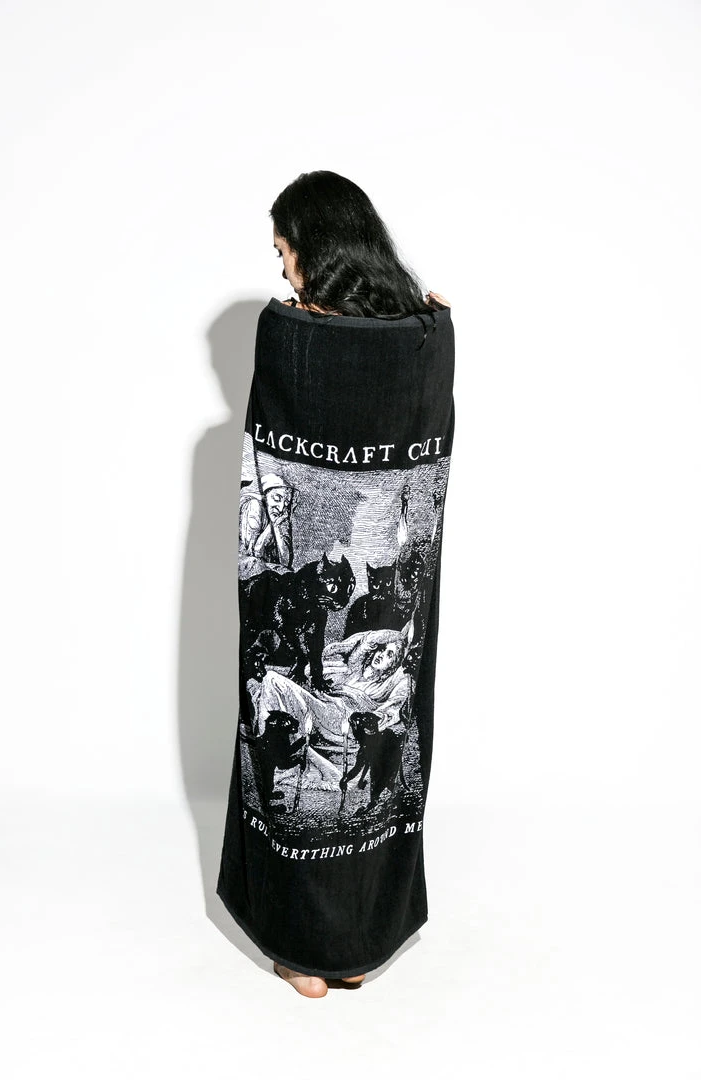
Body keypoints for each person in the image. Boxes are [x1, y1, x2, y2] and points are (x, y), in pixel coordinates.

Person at [216, 170, 454, 998]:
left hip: (348, 626)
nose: (284, 271)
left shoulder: (294, 337)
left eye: (286, 251)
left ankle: (298, 946)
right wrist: (434, 321)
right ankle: (359, 941)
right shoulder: (420, 338)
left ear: (318, 249)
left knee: (313, 761)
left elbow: (279, 390)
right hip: (382, 619)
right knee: (373, 753)